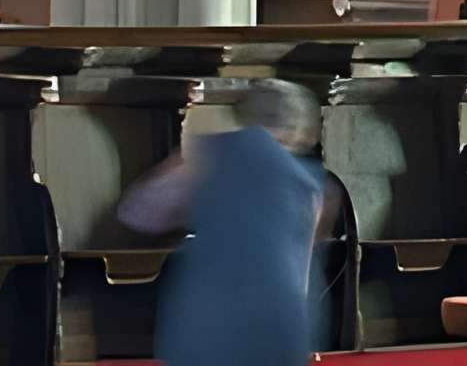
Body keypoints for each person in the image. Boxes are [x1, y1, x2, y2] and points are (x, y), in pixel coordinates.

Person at [120, 77, 327, 366]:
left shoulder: (214, 156)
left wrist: (181, 167)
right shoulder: (310, 185)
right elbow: (301, 272)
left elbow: (137, 213)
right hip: (280, 329)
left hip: (211, 329)